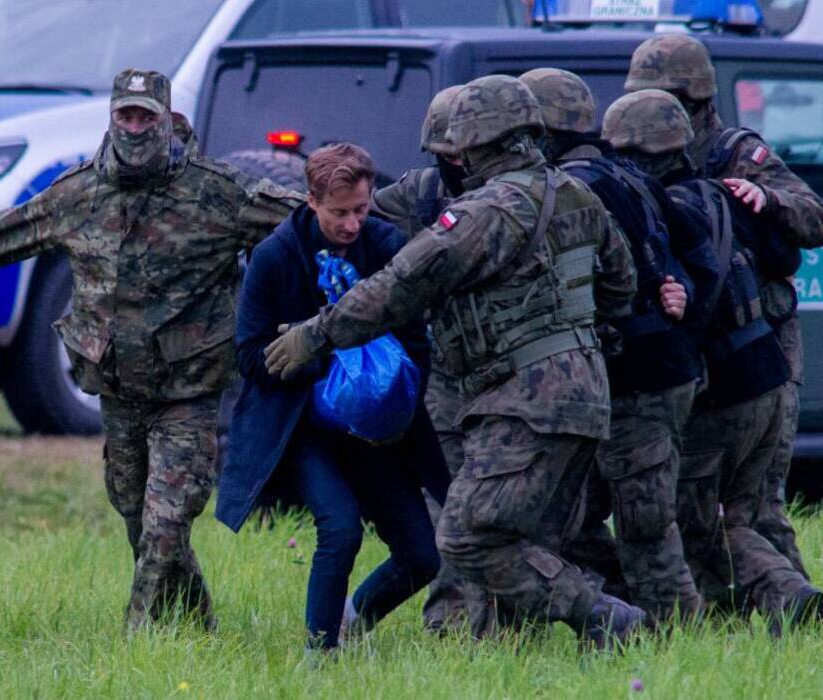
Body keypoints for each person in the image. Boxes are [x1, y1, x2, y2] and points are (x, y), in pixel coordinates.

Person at [0, 69, 303, 632]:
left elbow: (311, 225)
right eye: (126, 115)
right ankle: (201, 627)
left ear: (166, 119)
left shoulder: (216, 192)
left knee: (166, 520)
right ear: (112, 117)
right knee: (135, 515)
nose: (135, 127)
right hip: (118, 389)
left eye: (146, 116)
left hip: (190, 392)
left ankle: (135, 635)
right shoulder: (79, 193)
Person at [265, 75, 642, 648]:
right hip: (584, 395)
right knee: (526, 535)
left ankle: (606, 618)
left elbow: (400, 285)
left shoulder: (488, 209)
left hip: (523, 399)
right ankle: (513, 643)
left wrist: (315, 336)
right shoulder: (573, 192)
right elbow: (621, 283)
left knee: (467, 538)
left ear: (480, 142)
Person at [604, 89, 823, 635]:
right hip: (767, 373)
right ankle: (772, 608)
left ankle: (784, 592)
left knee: (695, 514)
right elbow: (786, 254)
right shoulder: (725, 194)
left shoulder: (665, 209)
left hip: (724, 385)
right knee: (747, 507)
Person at [217, 143, 447, 653]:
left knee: (422, 555)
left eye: (361, 210)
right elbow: (250, 355)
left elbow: (416, 342)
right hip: (303, 425)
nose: (351, 224)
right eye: (339, 213)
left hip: (377, 424)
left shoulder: (385, 245)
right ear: (312, 202)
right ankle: (319, 658)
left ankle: (352, 620)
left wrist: (389, 394)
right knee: (340, 530)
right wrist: (323, 363)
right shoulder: (276, 256)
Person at [520, 67, 715, 624]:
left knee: (644, 523)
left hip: (638, 375)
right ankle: (623, 617)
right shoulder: (626, 176)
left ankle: (677, 637)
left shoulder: (576, 189)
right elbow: (696, 256)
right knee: (576, 519)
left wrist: (668, 296)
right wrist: (679, 293)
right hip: (644, 371)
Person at [370, 85, 485, 636]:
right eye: (447, 156)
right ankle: (453, 622)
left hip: (511, 375)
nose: (458, 166)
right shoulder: (419, 195)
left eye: (464, 153)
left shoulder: (526, 194)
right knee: (446, 505)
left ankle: (518, 616)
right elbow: (349, 210)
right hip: (445, 373)